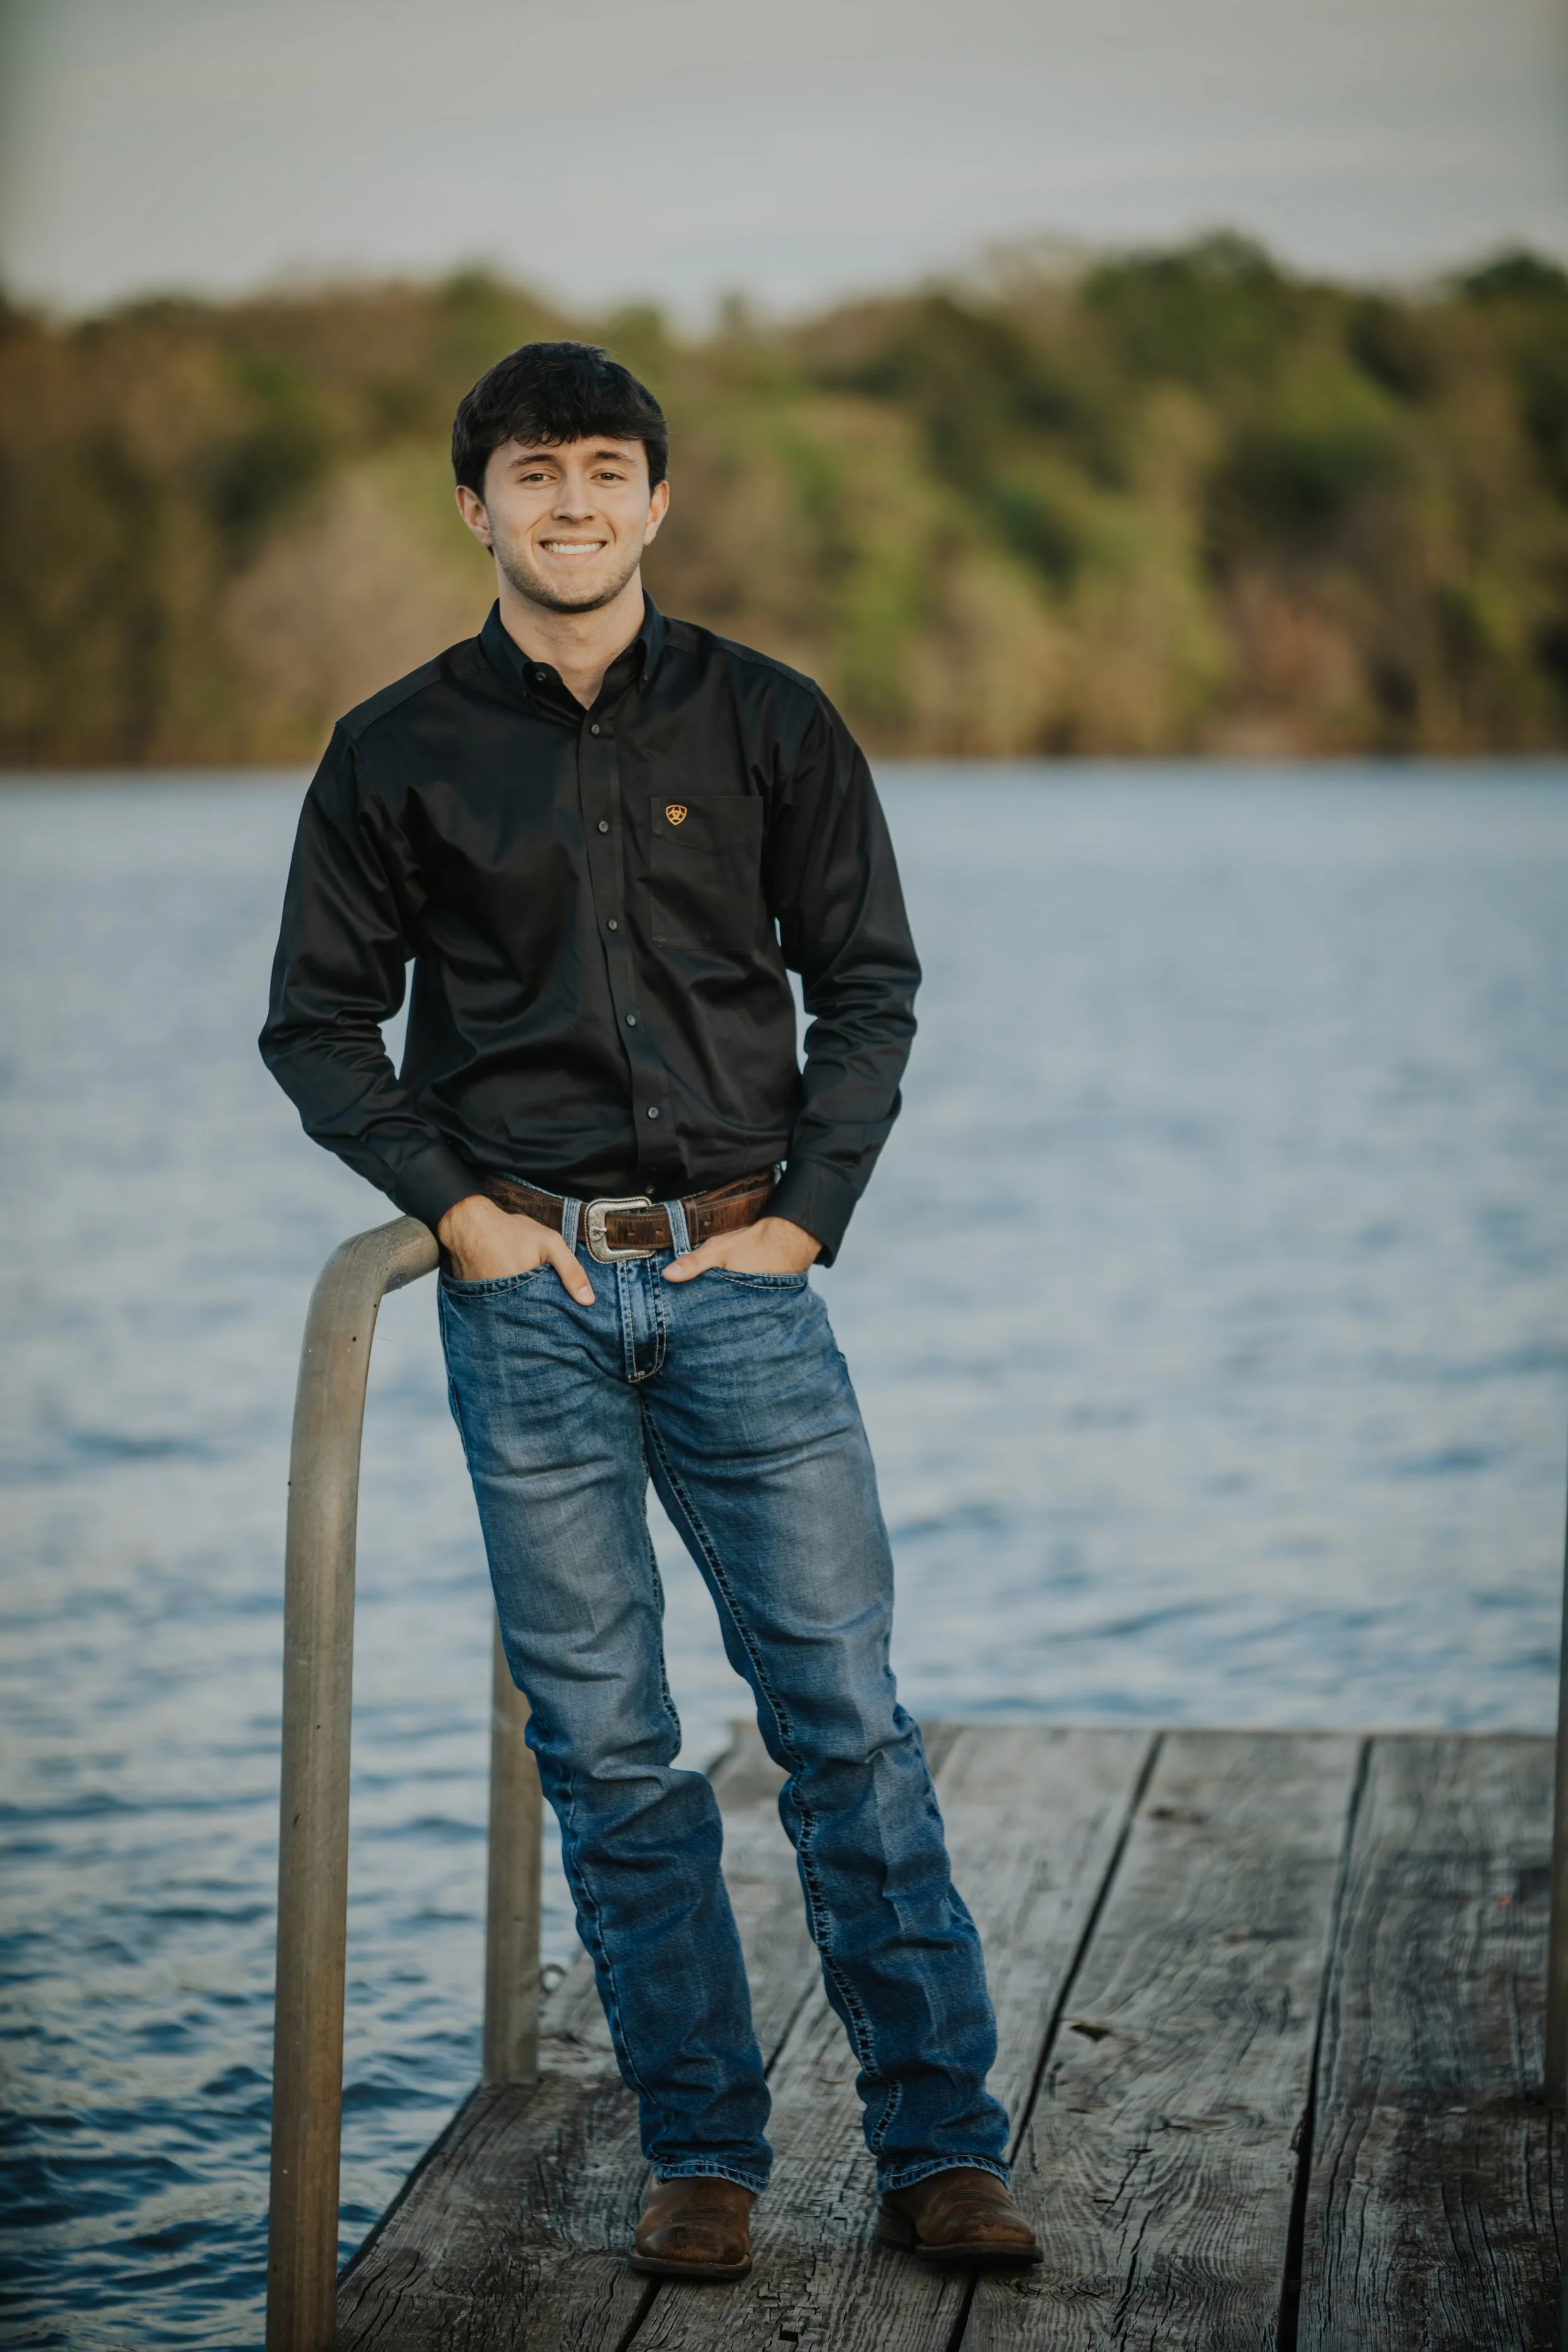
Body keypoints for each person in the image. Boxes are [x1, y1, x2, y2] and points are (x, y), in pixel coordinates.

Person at [259, 340, 1039, 2283]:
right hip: (518, 1290)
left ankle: (941, 2149)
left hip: (742, 1282)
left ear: (657, 499)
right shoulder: (395, 748)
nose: (573, 504)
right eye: (535, 475)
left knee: (842, 1720)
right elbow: (316, 1024)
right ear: (478, 505)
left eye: (606, 470)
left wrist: (811, 1221)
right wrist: (454, 1210)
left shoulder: (772, 720)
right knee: (607, 1746)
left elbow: (868, 984)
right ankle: (703, 2155)